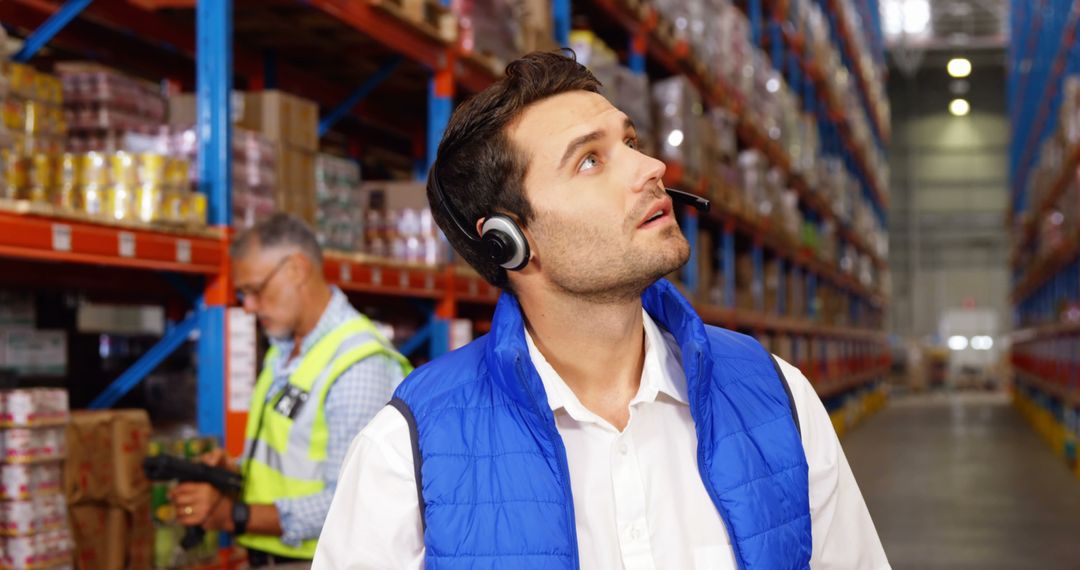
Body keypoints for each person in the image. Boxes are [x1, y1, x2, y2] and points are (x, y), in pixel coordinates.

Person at [315, 52, 889, 569]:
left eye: (631, 144)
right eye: (590, 160)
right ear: (510, 241)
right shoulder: (407, 450)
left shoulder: (777, 397)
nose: (652, 169)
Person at [169, 213, 411, 566]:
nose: (249, 306)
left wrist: (235, 515)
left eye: (255, 290)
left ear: (297, 269)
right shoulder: (284, 352)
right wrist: (234, 472)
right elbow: (294, 458)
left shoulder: (358, 365)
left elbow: (350, 499)